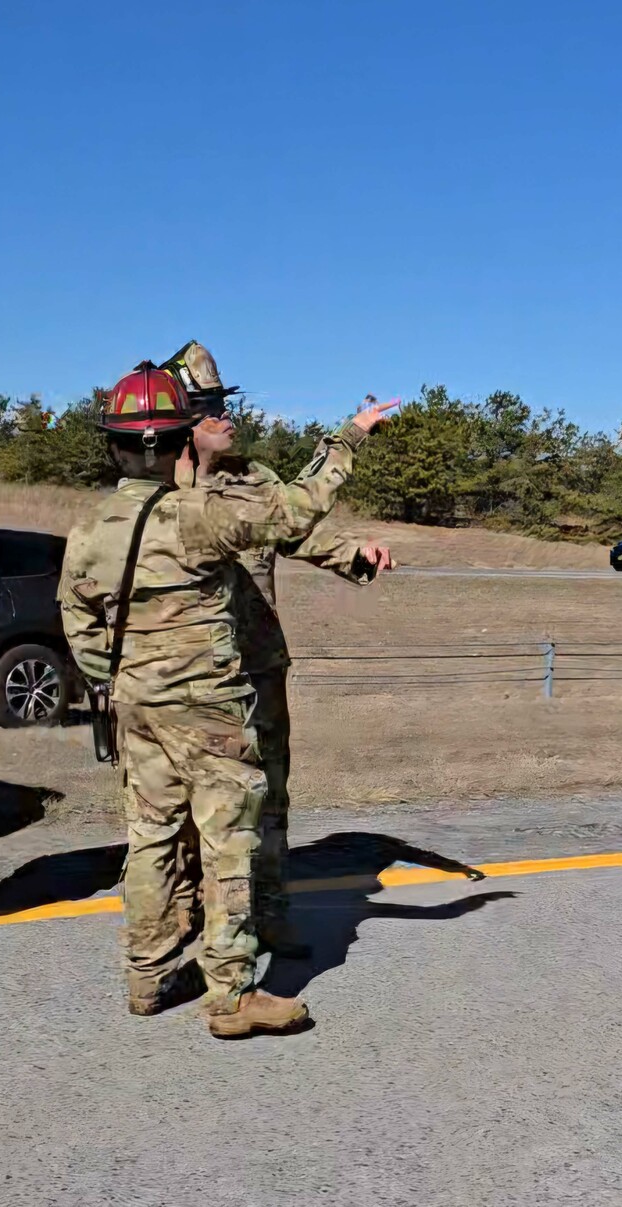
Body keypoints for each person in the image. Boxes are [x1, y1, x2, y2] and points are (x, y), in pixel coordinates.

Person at [60, 360, 396, 1037]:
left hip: (143, 702)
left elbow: (79, 624)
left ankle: (149, 973)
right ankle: (230, 991)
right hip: (209, 700)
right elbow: (298, 509)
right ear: (176, 438)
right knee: (229, 835)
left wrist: (127, 676)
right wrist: (348, 441)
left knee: (152, 834)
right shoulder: (195, 511)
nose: (216, 419)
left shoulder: (92, 526)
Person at [163, 341, 394, 959]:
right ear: (182, 420)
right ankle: (183, 918)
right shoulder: (154, 493)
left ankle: (266, 913)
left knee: (268, 794)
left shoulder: (255, 481)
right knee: (186, 805)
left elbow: (301, 530)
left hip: (256, 664)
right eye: (213, 407)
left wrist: (353, 554)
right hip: (184, 675)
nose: (230, 417)